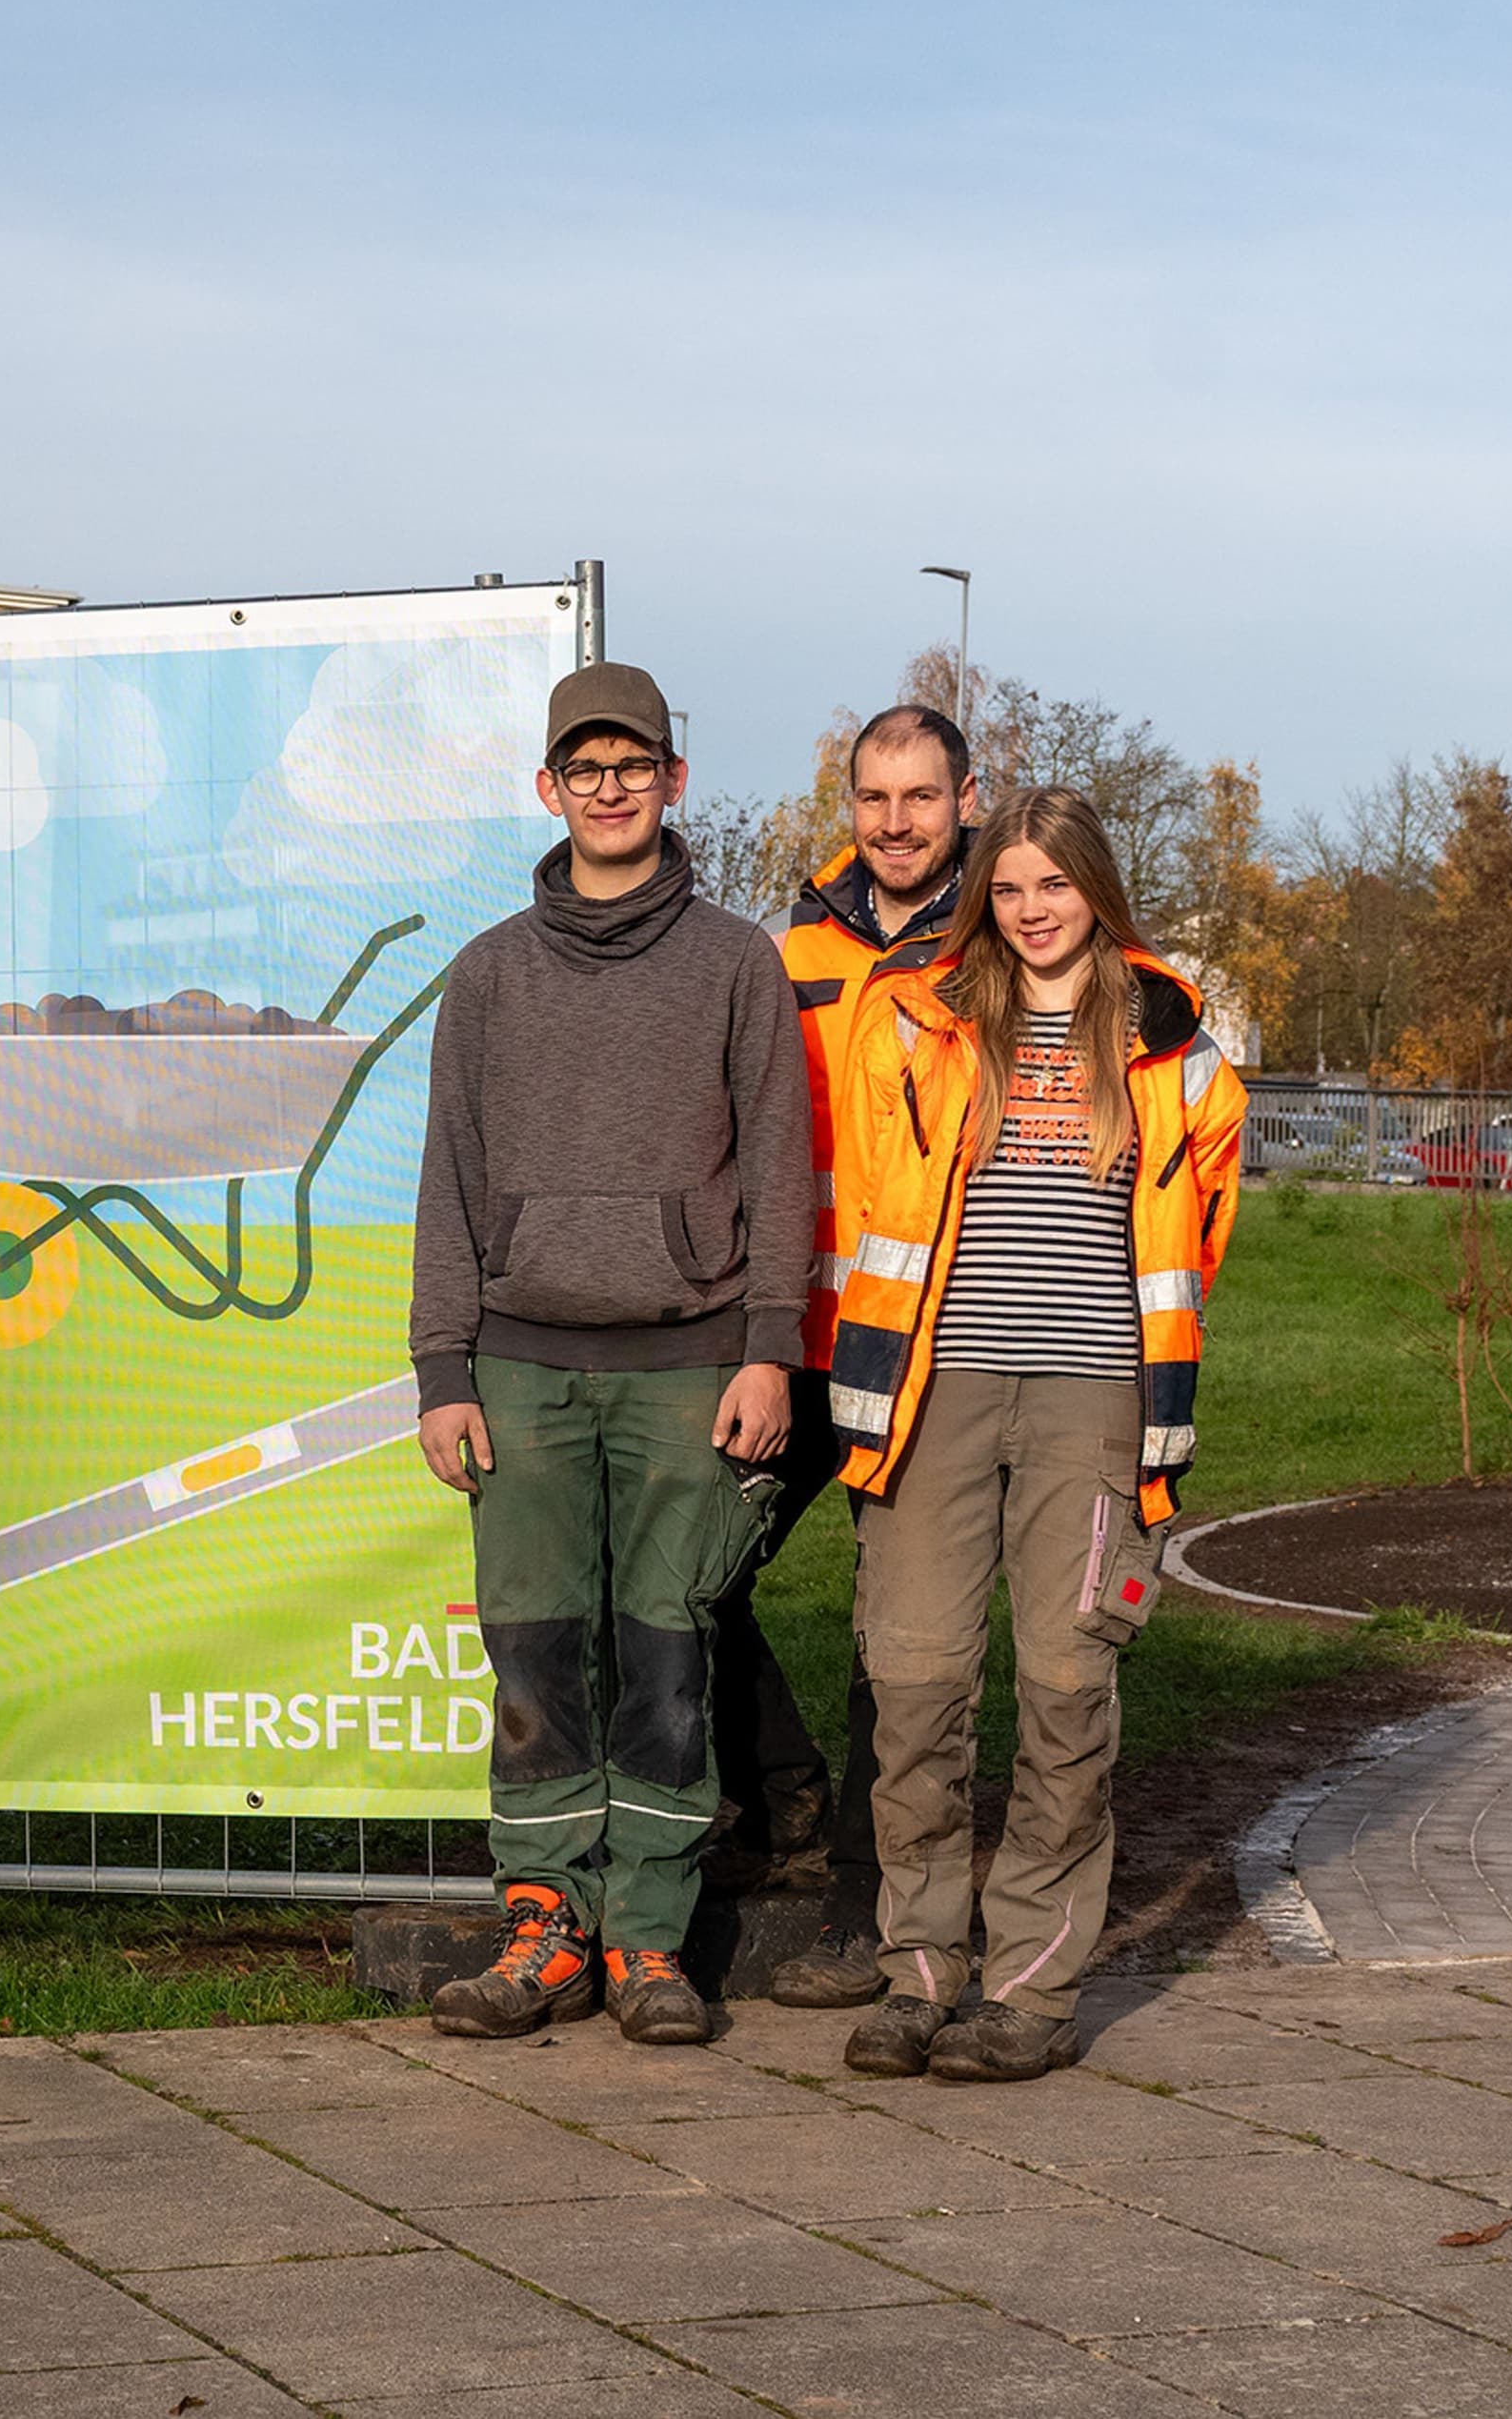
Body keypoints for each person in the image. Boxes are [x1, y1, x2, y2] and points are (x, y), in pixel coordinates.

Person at [411, 659, 812, 2047]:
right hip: (520, 1367)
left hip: (689, 1362)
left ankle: (649, 1938)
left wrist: (769, 1350)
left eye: (632, 765)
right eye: (585, 768)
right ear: (549, 789)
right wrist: (443, 1371)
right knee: (533, 1657)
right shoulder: (487, 974)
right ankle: (546, 1927)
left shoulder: (737, 964)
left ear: (672, 781)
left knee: (665, 1655)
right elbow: (448, 1183)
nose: (610, 787)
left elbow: (778, 1164)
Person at [821, 788, 1245, 2081]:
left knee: (1068, 1693)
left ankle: (1031, 1993)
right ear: (984, 899)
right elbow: (864, 1195)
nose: (1032, 910)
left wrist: (1138, 1400)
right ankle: (919, 1974)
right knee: (916, 1689)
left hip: (1094, 1403)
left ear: (1096, 892)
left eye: (1054, 885)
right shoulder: (910, 1021)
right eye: (1008, 888)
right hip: (930, 1396)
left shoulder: (1179, 1054)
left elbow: (1197, 1244)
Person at [743, 705, 978, 2011]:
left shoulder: (1008, 940)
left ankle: (860, 1909)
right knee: (692, 1574)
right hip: (796, 1337)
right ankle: (779, 1793)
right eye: (874, 798)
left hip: (933, 1346)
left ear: (964, 798)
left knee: (898, 1642)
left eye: (921, 798)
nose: (895, 823)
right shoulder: (791, 952)